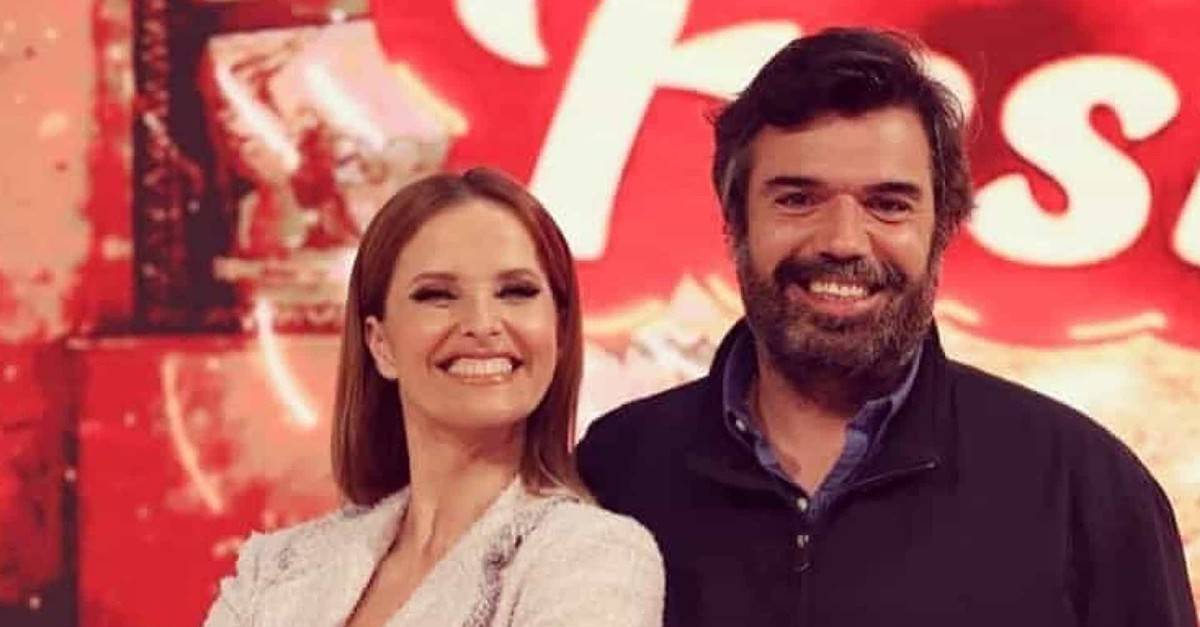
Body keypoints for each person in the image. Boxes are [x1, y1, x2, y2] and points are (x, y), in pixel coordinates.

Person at [576, 27, 1196, 626]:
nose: (844, 240)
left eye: (888, 205)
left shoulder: (1085, 488)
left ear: (942, 227)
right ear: (734, 220)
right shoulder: (618, 469)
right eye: (797, 199)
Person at [205, 168, 664, 627]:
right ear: (380, 343)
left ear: (559, 331)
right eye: (437, 295)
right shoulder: (275, 571)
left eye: (516, 292)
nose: (482, 324)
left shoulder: (595, 556)